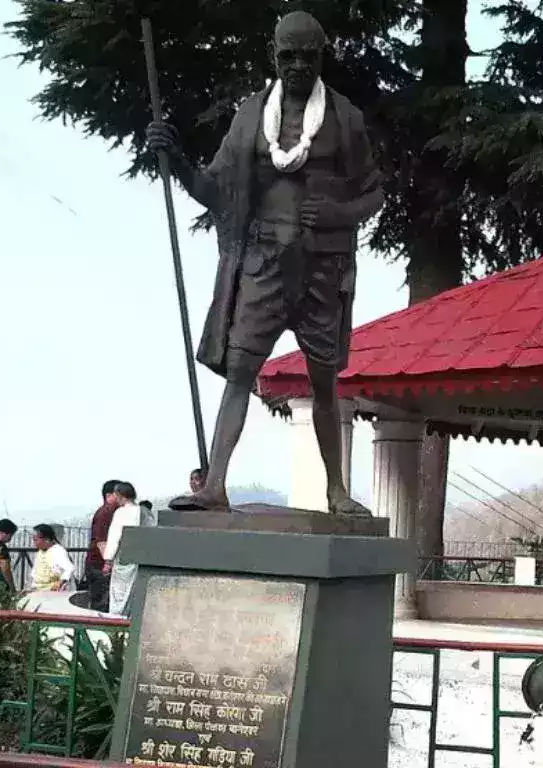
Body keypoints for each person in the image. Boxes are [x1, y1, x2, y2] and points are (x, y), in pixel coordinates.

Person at [148, 10, 381, 517]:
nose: (298, 64)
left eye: (308, 55)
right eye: (288, 55)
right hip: (262, 262)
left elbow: (373, 192)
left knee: (325, 384)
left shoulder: (344, 119)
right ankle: (214, 486)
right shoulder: (251, 117)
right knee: (239, 374)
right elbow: (214, 190)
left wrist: (339, 212)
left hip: (321, 267)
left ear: (323, 56)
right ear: (273, 56)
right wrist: (178, 160)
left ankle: (336, 491)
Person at [103, 481, 141, 615]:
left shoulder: (121, 512)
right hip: (138, 558)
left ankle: (116, 619)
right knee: (132, 591)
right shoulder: (142, 511)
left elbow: (114, 537)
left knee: (118, 592)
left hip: (122, 557)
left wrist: (108, 560)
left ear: (120, 495)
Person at [86, 479, 121, 611]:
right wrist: (108, 563)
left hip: (100, 565)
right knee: (102, 604)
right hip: (99, 567)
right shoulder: (106, 512)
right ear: (109, 495)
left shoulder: (111, 512)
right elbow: (102, 541)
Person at [28, 524, 75, 592]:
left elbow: (69, 568)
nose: (34, 543)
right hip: (38, 590)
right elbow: (34, 572)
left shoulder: (58, 550)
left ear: (47, 539)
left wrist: (60, 582)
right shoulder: (40, 552)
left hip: (53, 592)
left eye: (36, 540)